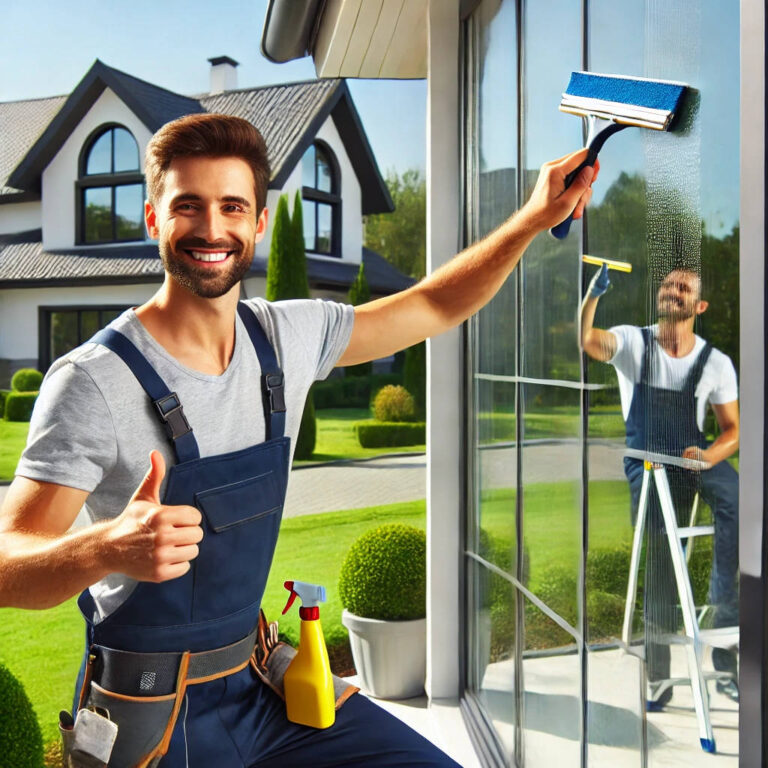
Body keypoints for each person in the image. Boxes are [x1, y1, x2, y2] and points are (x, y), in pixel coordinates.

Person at [0, 113, 596, 767]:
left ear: (258, 222)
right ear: (152, 218)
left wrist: (533, 219)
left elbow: (435, 305)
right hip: (152, 716)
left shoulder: (289, 335)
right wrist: (102, 548)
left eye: (232, 206)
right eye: (188, 206)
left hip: (264, 681)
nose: (211, 228)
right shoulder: (93, 380)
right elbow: (8, 564)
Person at [580, 263, 739, 706]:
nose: (673, 290)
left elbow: (732, 431)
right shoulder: (634, 341)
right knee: (662, 562)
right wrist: (592, 298)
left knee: (741, 506)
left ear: (698, 305)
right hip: (648, 462)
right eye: (668, 284)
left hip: (694, 456)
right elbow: (589, 342)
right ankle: (660, 678)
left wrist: (708, 456)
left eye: (683, 287)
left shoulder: (716, 363)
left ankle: (725, 647)